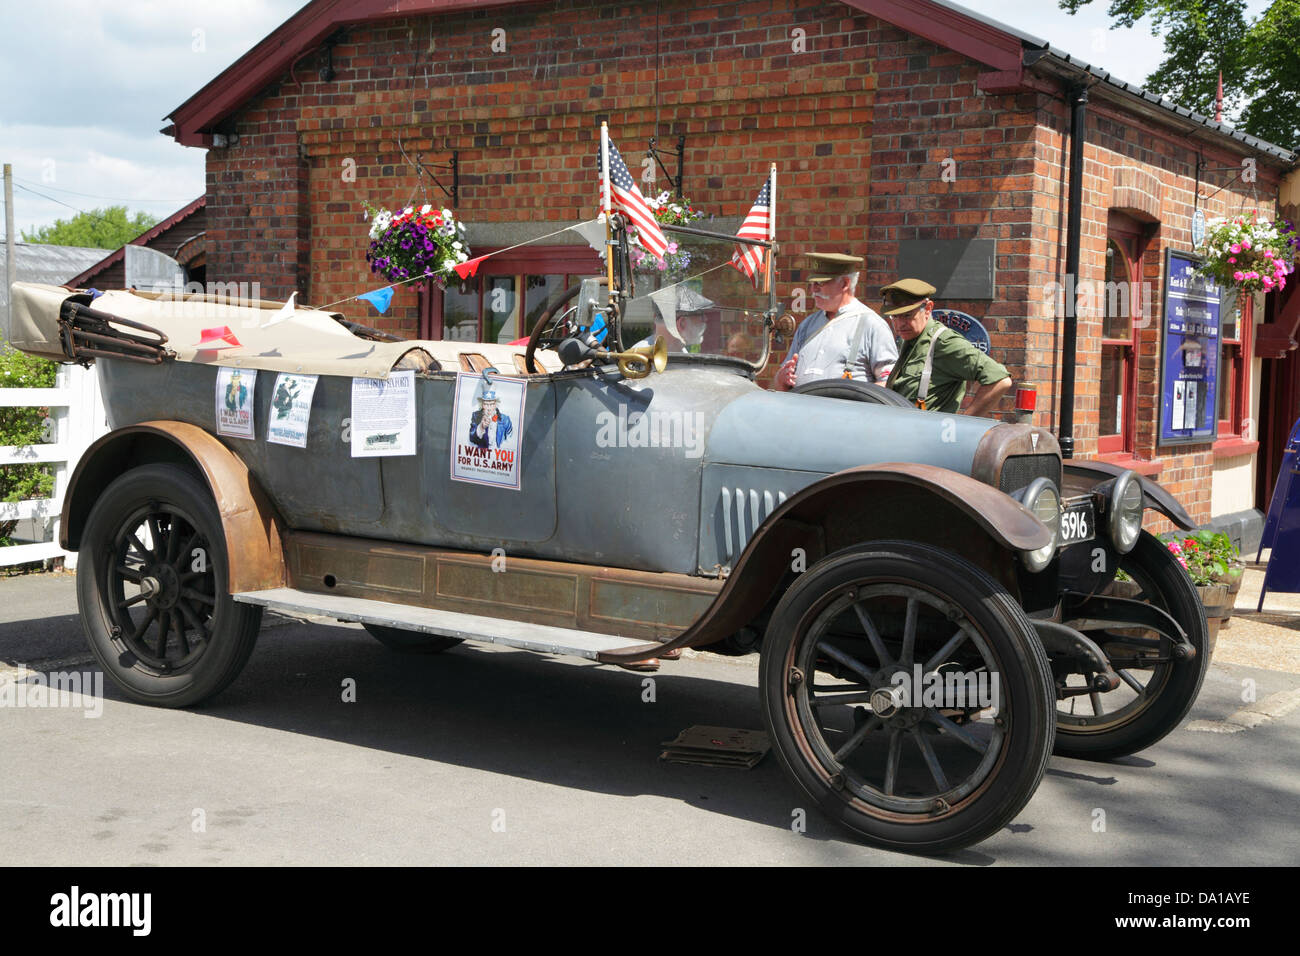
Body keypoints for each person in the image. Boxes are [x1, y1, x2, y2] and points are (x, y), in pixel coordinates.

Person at [881, 279, 1013, 416]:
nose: (900, 324)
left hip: (931, 434)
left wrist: (963, 424)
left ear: (928, 308)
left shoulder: (944, 342)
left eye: (907, 315)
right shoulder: (910, 340)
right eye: (894, 317)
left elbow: (1000, 379)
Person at [774, 252, 897, 391]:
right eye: (812, 283)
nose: (813, 290)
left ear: (845, 283)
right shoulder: (807, 325)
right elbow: (780, 384)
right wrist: (782, 377)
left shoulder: (872, 325)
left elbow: (889, 384)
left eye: (820, 283)